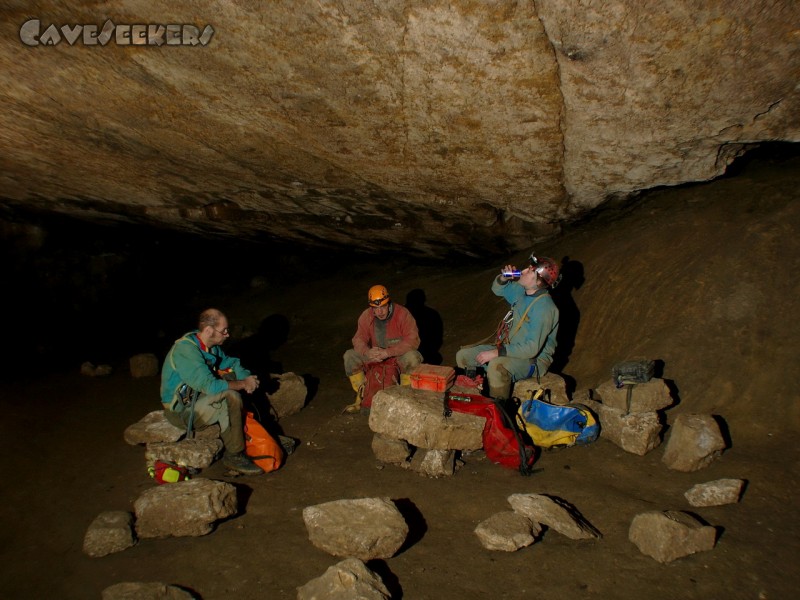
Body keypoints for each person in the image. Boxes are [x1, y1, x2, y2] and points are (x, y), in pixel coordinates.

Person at [160, 308, 263, 475]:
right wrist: (243, 383)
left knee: (232, 379)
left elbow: (231, 364)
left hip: (199, 396)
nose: (227, 334)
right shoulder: (186, 350)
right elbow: (211, 386)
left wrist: (247, 379)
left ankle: (259, 432)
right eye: (224, 331)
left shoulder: (209, 346)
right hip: (182, 411)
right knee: (231, 395)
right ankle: (234, 454)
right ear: (209, 330)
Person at [456, 253, 560, 401]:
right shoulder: (522, 292)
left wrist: (497, 353)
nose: (523, 270)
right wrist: (504, 278)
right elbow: (497, 289)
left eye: (530, 271)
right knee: (464, 356)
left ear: (538, 282)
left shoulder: (545, 308)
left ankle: (498, 406)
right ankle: (475, 391)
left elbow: (532, 348)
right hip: (510, 348)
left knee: (497, 366)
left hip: (534, 360)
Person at [342, 284, 423, 413]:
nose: (379, 312)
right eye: (375, 308)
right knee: (350, 356)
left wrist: (388, 352)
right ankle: (362, 396)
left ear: (388, 303)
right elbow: (358, 339)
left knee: (414, 357)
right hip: (374, 356)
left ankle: (405, 397)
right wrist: (367, 352)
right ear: (371, 307)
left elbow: (413, 340)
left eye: (383, 307)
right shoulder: (366, 316)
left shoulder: (402, 314)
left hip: (396, 356)